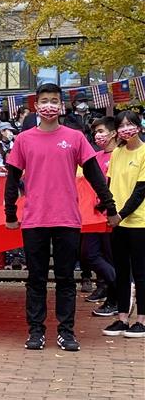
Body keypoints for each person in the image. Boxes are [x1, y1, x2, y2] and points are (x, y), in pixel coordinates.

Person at [5, 83, 118, 352]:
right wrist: (10, 212)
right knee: (36, 279)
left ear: (62, 105)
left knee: (66, 278)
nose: (49, 105)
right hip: (34, 220)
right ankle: (36, 331)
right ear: (36, 106)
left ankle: (66, 332)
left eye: (54, 100)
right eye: (44, 100)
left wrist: (110, 207)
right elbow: (12, 179)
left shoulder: (75, 137)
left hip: (67, 218)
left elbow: (95, 175)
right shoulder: (24, 139)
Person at [100, 111, 145, 338]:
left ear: (138, 126)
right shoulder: (117, 153)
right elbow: (109, 183)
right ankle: (122, 318)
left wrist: (121, 214)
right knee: (121, 270)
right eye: (121, 125)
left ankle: (142, 320)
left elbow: (140, 191)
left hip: (139, 222)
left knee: (141, 271)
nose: (126, 129)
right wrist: (106, 208)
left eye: (130, 124)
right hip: (117, 222)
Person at [83, 118, 119, 312]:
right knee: (89, 254)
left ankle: (115, 299)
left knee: (109, 256)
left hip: (111, 215)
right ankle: (119, 289)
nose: (98, 135)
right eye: (96, 132)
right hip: (92, 216)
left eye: (102, 131)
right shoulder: (95, 157)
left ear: (113, 133)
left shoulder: (120, 155)